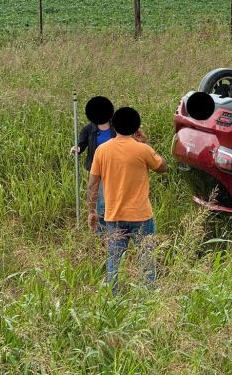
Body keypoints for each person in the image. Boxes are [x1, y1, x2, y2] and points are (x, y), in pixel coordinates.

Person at [87, 107, 168, 291]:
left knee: (114, 262)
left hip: (113, 216)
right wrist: (146, 144)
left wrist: (92, 211)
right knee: (146, 260)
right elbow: (163, 167)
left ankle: (114, 300)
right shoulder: (142, 150)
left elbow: (92, 185)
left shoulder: (102, 150)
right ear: (136, 126)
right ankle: (148, 299)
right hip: (141, 216)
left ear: (114, 125)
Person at [71, 96, 115, 232]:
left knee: (113, 198)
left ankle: (115, 227)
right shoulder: (88, 129)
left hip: (114, 168)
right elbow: (82, 144)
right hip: (97, 169)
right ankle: (102, 231)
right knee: (101, 201)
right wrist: (77, 148)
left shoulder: (116, 127)